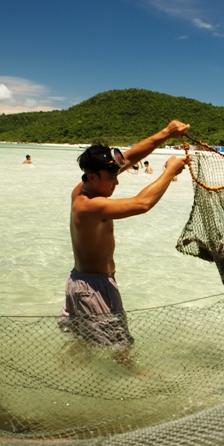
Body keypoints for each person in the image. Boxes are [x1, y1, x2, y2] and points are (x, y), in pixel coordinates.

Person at [58, 119, 190, 364]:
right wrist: (169, 172)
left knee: (86, 340)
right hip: (94, 287)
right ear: (93, 176)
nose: (116, 182)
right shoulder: (90, 206)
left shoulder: (83, 188)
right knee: (117, 343)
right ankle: (127, 379)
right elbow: (142, 204)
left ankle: (71, 368)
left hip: (80, 280)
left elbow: (129, 158)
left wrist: (167, 133)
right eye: (111, 178)